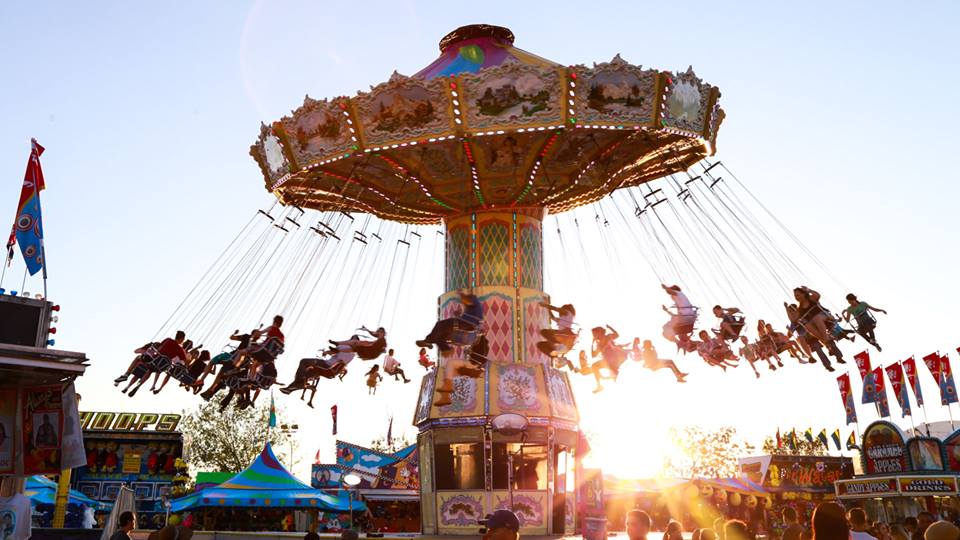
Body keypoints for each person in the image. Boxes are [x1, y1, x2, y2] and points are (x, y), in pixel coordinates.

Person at [417, 291, 484, 352]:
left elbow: (468, 302)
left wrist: (461, 295)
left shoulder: (474, 300)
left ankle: (431, 342)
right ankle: (441, 347)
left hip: (469, 325)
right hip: (467, 325)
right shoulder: (471, 308)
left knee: (441, 325)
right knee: (441, 334)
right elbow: (468, 312)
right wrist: (458, 314)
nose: (462, 302)